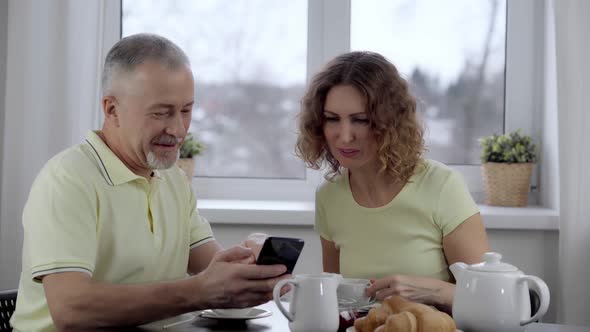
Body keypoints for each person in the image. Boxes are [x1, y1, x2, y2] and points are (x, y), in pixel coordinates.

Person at [10, 33, 287, 332]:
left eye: (186, 110)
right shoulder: (67, 180)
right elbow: (71, 309)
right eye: (161, 112)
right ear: (112, 110)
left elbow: (213, 271)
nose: (178, 129)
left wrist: (252, 265)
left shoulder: (173, 180)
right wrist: (198, 291)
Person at [295, 51, 489, 313]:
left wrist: (432, 290)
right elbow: (339, 304)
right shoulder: (329, 197)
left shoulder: (441, 186)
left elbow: (489, 300)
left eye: (360, 120)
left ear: (389, 122)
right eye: (332, 119)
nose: (344, 136)